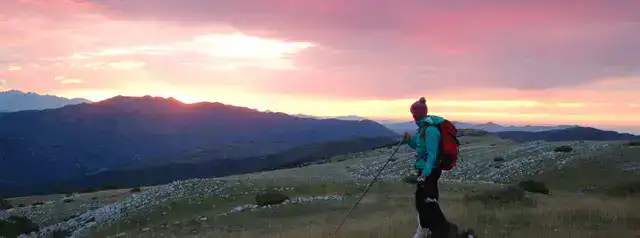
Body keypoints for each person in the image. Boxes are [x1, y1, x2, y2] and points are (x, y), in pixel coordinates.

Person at [402, 97, 452, 238]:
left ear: (420, 114)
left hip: (430, 171)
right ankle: (430, 231)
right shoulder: (423, 129)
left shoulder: (430, 130)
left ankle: (441, 231)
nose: (413, 117)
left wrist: (425, 173)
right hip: (424, 171)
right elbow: (418, 147)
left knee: (428, 203)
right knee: (423, 203)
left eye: (414, 114)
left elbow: (432, 154)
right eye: (412, 114)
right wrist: (408, 141)